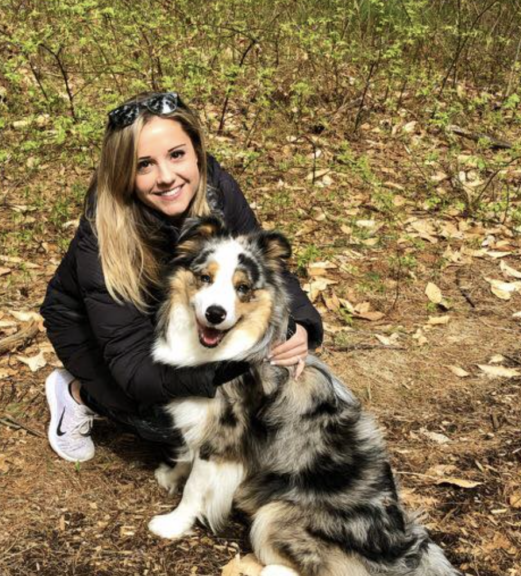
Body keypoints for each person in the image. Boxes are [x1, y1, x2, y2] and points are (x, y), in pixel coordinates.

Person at [40, 91, 323, 463]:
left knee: (272, 391)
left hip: (182, 312)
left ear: (196, 150)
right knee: (174, 423)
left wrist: (299, 326)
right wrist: (230, 369)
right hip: (101, 335)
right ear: (124, 173)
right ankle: (79, 393)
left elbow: (261, 270)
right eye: (144, 165)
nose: (167, 177)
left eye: (176, 155)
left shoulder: (216, 186)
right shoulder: (102, 232)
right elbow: (132, 362)